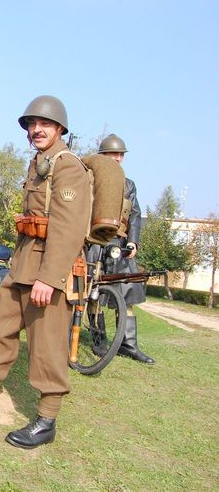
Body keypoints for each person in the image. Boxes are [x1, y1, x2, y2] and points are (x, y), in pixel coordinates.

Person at [0, 95, 91, 449]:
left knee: (47, 345)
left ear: (59, 129)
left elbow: (68, 229)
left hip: (49, 271)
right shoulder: (39, 163)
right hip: (23, 262)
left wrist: (49, 277)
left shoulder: (68, 166)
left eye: (45, 124)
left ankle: (46, 420)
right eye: (31, 125)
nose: (36, 130)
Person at [97, 134, 154, 364]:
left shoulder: (129, 185)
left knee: (129, 291)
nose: (119, 158)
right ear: (103, 156)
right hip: (97, 244)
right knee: (95, 294)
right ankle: (98, 341)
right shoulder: (91, 179)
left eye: (121, 155)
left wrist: (133, 241)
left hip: (120, 245)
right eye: (114, 154)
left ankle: (128, 345)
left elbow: (136, 215)